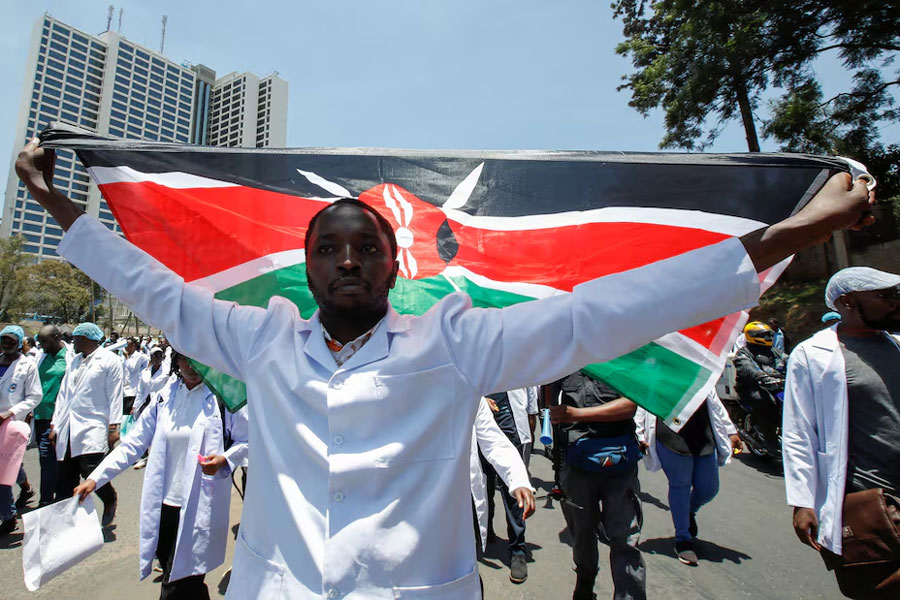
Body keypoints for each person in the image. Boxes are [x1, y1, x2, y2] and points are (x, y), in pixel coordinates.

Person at [16, 137, 875, 598]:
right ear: (308, 266)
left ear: (395, 267)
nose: (347, 260)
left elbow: (605, 312)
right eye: (329, 248)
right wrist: (60, 204)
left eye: (366, 248)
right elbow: (152, 289)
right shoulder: (259, 337)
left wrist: (792, 237)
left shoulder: (455, 344)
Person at [73, 351, 247, 599]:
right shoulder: (166, 396)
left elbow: (247, 440)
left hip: (198, 507)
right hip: (166, 506)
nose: (192, 365)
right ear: (176, 361)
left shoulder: (222, 396)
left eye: (199, 358)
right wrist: (95, 478)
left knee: (177, 585)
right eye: (185, 358)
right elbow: (133, 444)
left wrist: (225, 460)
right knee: (182, 580)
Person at [783, 267, 900, 599]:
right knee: (871, 586)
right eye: (885, 296)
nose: (894, 303)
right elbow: (798, 430)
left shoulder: (896, 344)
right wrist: (803, 502)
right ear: (848, 303)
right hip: (868, 497)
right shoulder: (813, 354)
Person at [547, 371, 645, 600]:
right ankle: (584, 582)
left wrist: (577, 414)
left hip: (619, 465)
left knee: (625, 539)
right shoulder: (563, 361)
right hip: (576, 466)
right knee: (582, 535)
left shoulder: (621, 358)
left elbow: (630, 405)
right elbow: (549, 404)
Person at [635, 390, 741, 566]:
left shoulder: (698, 366)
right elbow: (644, 399)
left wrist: (731, 431)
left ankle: (689, 511)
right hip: (670, 433)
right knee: (680, 485)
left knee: (709, 487)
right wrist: (639, 434)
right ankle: (683, 538)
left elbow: (713, 399)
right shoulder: (658, 367)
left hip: (702, 431)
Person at [50, 322, 124, 527]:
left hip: (94, 424)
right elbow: (64, 395)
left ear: (85, 339)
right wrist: (55, 424)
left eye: (75, 338)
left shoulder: (109, 360)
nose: (72, 342)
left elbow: (115, 395)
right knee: (65, 475)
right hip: (69, 425)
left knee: (92, 469)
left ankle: (109, 499)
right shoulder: (74, 361)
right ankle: (66, 522)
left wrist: (113, 427)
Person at [481, 389, 534, 583]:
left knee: (512, 489)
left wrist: (532, 413)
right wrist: (479, 400)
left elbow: (526, 378)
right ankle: (485, 531)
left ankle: (518, 549)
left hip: (506, 416)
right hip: (478, 416)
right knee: (482, 484)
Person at [470, 397, 533, 555]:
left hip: (505, 421)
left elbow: (494, 443)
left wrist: (519, 479)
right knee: (485, 487)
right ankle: (485, 529)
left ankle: (518, 549)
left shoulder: (466, 394)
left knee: (511, 494)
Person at [0, 325, 42, 535]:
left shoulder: (27, 365)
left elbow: (35, 396)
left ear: (19, 343)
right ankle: (26, 487)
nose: (6, 343)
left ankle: (9, 517)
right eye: (3, 339)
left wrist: (11, 412)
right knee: (9, 467)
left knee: (3, 470)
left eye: (11, 340)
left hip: (12, 424)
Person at [734, 321, 787, 455]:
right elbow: (748, 369)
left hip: (776, 385)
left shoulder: (774, 351)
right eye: (764, 335)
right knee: (764, 402)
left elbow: (788, 359)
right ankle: (770, 440)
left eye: (769, 335)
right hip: (752, 387)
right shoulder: (744, 353)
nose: (768, 338)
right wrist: (762, 376)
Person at [33, 324, 71, 506]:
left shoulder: (69, 358)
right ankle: (53, 499)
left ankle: (47, 501)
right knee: (46, 460)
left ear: (57, 337)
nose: (41, 345)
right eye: (39, 342)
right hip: (39, 416)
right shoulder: (42, 357)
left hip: (56, 418)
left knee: (49, 458)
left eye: (45, 341)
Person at [122, 336, 149, 415]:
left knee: (128, 415)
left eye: (128, 345)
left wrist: (127, 357)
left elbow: (132, 368)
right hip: (124, 389)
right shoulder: (124, 357)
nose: (126, 347)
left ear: (133, 345)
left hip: (132, 390)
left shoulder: (139, 356)